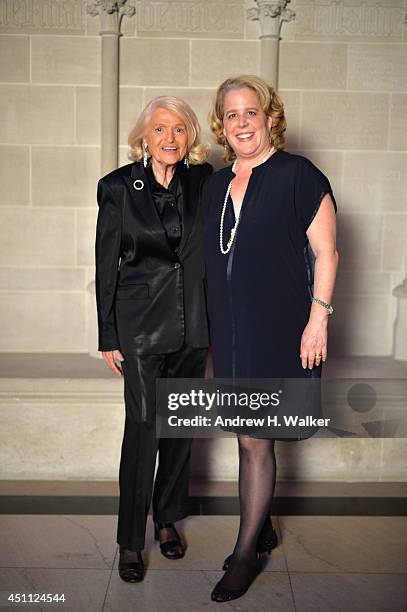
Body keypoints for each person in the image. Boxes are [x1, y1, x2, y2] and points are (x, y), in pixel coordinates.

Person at [202, 75, 338, 602]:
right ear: (222, 123)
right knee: (246, 433)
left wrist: (318, 318)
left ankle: (245, 554)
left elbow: (326, 252)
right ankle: (261, 527)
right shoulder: (215, 184)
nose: (241, 123)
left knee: (255, 439)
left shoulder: (298, 175)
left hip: (281, 328)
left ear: (268, 116)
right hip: (232, 333)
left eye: (250, 113)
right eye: (231, 115)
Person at [95, 96, 212, 583]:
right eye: (160, 129)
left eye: (180, 129)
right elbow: (106, 266)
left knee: (179, 430)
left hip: (193, 327)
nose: (170, 138)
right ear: (144, 138)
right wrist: (108, 334)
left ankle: (166, 521)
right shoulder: (119, 188)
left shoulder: (205, 183)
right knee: (143, 428)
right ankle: (129, 539)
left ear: (190, 139)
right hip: (140, 328)